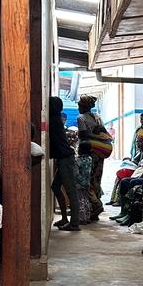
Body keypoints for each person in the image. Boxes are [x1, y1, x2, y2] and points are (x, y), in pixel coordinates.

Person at [50, 96, 81, 231]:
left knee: (71, 191)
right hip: (64, 158)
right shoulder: (56, 119)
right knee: (56, 187)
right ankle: (64, 218)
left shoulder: (53, 120)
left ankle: (74, 223)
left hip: (65, 159)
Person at [75, 95, 105, 198]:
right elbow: (103, 131)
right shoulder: (97, 117)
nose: (78, 108)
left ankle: (91, 204)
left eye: (79, 105)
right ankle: (97, 201)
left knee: (86, 178)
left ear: (84, 106)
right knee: (97, 177)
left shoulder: (81, 118)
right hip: (99, 150)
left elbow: (83, 135)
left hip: (88, 151)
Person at [75, 141, 97, 224]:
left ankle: (82, 218)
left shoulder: (78, 160)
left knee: (80, 200)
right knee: (86, 200)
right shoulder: (90, 159)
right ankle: (87, 217)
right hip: (87, 183)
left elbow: (76, 173)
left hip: (79, 184)